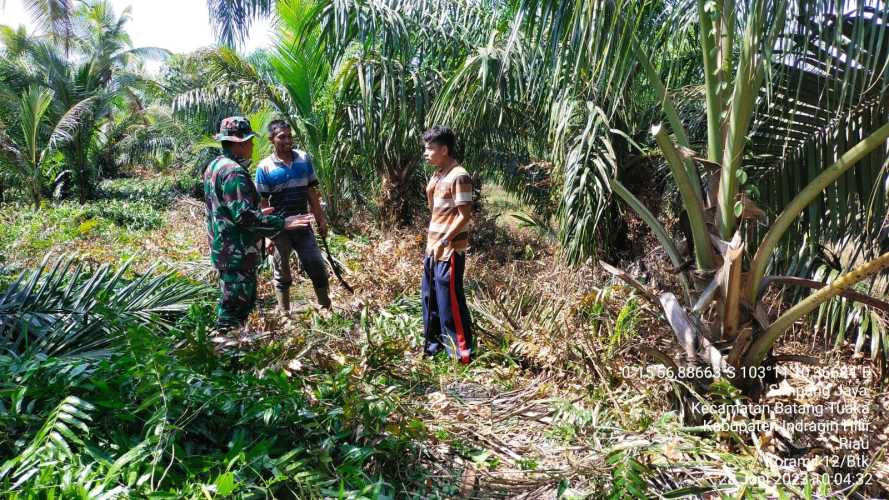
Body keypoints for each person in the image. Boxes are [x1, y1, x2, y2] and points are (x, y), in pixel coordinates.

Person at [203, 116, 309, 338]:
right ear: (239, 143)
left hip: (224, 249)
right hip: (237, 253)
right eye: (250, 141)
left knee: (231, 305)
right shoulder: (234, 172)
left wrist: (258, 214)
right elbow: (243, 217)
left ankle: (229, 358)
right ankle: (227, 359)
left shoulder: (214, 167)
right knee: (234, 312)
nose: (252, 146)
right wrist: (282, 223)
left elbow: (228, 210)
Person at [255, 120, 331, 316]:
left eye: (289, 136)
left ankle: (325, 308)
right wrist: (267, 236)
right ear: (271, 139)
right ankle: (284, 314)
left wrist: (320, 219)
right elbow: (263, 203)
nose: (287, 140)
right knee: (282, 273)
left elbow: (311, 192)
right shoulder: (264, 167)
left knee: (316, 266)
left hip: (303, 224)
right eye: (282, 137)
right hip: (280, 229)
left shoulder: (303, 159)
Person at [421, 126, 474, 363]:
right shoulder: (438, 175)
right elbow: (435, 212)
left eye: (430, 148)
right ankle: (434, 347)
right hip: (433, 249)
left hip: (449, 250)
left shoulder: (459, 175)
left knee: (450, 302)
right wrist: (429, 191)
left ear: (444, 149)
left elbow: (465, 215)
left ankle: (461, 354)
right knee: (430, 299)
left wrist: (445, 240)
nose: (426, 153)